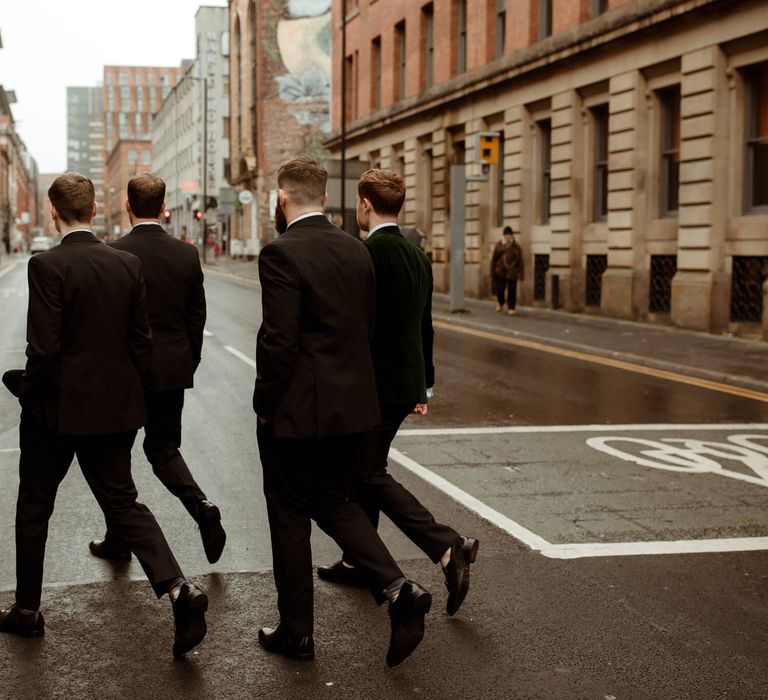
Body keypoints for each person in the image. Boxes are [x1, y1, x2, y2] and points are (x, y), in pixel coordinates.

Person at [0, 173, 207, 658]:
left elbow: (45, 350)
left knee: (34, 507)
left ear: (54, 212)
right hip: (114, 410)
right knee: (123, 505)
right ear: (95, 210)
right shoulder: (126, 263)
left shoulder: (46, 266)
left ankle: (28, 610)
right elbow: (141, 342)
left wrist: (25, 386)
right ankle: (180, 590)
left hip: (56, 411)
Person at [254, 157, 431, 667]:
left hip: (296, 412)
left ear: (283, 199)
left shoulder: (280, 253)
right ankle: (399, 590)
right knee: (334, 503)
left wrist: (265, 405)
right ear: (327, 197)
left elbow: (280, 343)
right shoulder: (358, 250)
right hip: (352, 410)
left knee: (288, 516)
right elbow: (366, 331)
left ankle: (297, 633)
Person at [318, 169, 479, 617]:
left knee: (364, 474)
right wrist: (423, 383)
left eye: (358, 204)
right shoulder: (417, 255)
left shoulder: (366, 254)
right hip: (403, 383)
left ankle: (449, 547)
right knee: (365, 469)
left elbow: (357, 330)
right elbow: (423, 325)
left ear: (365, 205)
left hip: (372, 387)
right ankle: (357, 561)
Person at [88, 172, 226, 565]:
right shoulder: (186, 254)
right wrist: (188, 360)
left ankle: (119, 539)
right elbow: (196, 318)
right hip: (170, 370)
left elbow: (109, 323)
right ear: (164, 207)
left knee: (117, 458)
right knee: (163, 449)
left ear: (128, 206)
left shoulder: (113, 253)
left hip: (127, 373)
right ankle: (200, 505)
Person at [490, 225, 524, 315]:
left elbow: (520, 261)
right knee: (500, 289)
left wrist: (521, 274)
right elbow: (494, 259)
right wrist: (492, 272)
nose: (508, 237)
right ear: (504, 236)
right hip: (500, 271)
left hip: (512, 271)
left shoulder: (516, 246)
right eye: (506, 235)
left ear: (512, 236)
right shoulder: (499, 244)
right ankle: (500, 302)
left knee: (512, 290)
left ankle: (511, 307)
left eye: (509, 235)